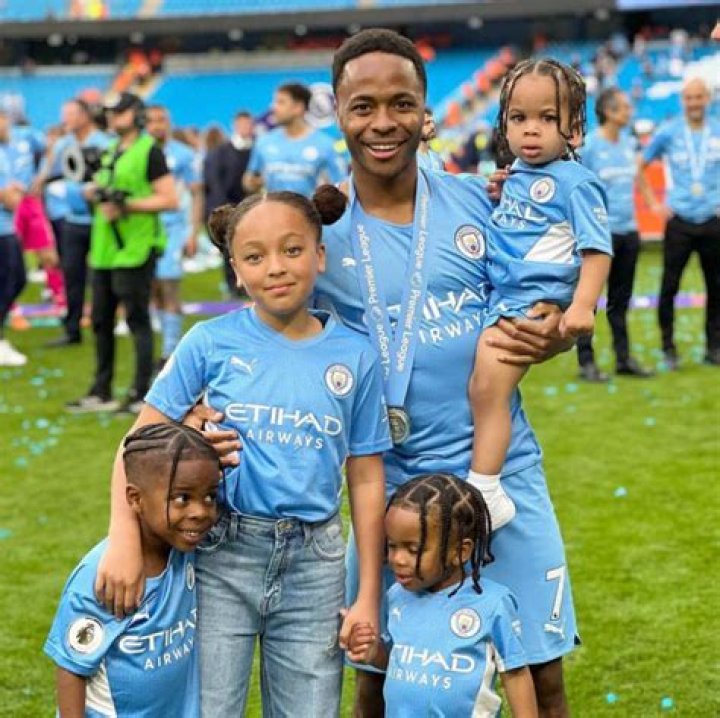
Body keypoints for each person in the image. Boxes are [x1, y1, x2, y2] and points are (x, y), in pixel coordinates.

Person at [309, 30, 577, 717]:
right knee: (378, 679)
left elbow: (554, 297)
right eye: (363, 106)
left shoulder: (484, 203)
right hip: (393, 487)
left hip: (500, 478)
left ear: (426, 112)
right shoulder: (316, 236)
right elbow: (278, 337)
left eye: (401, 104)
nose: (383, 122)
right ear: (338, 112)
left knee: (541, 674)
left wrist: (555, 329)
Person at [97, 189, 390, 716]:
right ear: (235, 270)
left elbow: (367, 477)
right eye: (255, 257)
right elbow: (135, 444)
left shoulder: (356, 355)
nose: (275, 267)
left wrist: (367, 593)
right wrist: (123, 540)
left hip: (316, 567)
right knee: (209, 708)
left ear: (320, 255)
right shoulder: (209, 343)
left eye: (292, 250)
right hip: (220, 556)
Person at [468, 58, 612, 529]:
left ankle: (486, 489)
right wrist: (498, 193)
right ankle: (486, 482)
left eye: (547, 118)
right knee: (483, 389)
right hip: (501, 299)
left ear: (574, 130)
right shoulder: (513, 176)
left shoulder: (577, 183)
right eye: (519, 118)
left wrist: (582, 307)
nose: (531, 130)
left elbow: (596, 250)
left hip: (531, 305)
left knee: (487, 389)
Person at [44, 422, 220, 717]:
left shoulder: (183, 550)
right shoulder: (101, 578)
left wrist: (194, 420)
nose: (200, 512)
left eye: (210, 496)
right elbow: (71, 669)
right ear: (135, 499)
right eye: (182, 498)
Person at [348, 473, 538, 718]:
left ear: (460, 552)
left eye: (413, 549)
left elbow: (516, 674)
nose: (398, 559)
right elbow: (399, 663)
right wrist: (374, 653)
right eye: (392, 546)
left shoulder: (492, 604)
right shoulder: (396, 596)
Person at [66, 92, 178, 414]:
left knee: (137, 320)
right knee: (100, 320)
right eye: (110, 112)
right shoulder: (111, 149)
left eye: (120, 112)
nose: (113, 117)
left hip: (136, 248)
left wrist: (126, 205)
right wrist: (94, 192)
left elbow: (169, 199)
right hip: (105, 250)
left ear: (136, 114)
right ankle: (101, 390)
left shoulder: (150, 151)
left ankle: (141, 392)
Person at [639, 76, 720, 369]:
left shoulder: (717, 129)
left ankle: (714, 347)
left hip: (712, 220)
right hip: (680, 221)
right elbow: (640, 166)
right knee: (669, 287)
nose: (694, 103)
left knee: (716, 288)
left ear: (707, 99)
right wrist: (654, 204)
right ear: (682, 101)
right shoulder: (669, 132)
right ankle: (668, 347)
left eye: (698, 97)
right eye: (689, 98)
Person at [576, 87, 656, 380]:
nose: (629, 111)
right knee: (588, 300)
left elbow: (639, 176)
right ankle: (587, 362)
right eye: (624, 107)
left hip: (628, 232)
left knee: (621, 301)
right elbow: (578, 189)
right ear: (609, 112)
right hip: (599, 237)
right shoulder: (590, 147)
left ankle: (623, 359)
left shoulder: (629, 143)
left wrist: (652, 203)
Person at [43, 98, 111, 348]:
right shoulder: (63, 144)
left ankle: (103, 325)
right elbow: (47, 174)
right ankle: (72, 330)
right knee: (72, 276)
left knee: (103, 277)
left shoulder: (104, 143)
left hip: (100, 221)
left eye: (70, 114)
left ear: (85, 115)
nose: (66, 119)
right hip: (72, 220)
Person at [146, 104, 203, 369]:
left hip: (174, 228)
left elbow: (196, 193)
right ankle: (165, 343)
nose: (157, 125)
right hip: (146, 228)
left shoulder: (184, 154)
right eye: (152, 120)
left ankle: (170, 351)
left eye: (162, 120)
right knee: (154, 288)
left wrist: (193, 232)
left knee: (170, 285)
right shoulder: (140, 153)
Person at [242, 82, 345, 197]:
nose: (273, 107)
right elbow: (249, 180)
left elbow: (341, 186)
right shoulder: (264, 142)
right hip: (272, 207)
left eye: (281, 102)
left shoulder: (325, 145)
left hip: (309, 208)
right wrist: (252, 183)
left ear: (298, 108)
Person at [203, 110, 254, 296]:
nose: (245, 128)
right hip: (227, 207)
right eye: (242, 124)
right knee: (228, 249)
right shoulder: (220, 152)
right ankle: (233, 285)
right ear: (235, 126)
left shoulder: (257, 150)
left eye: (248, 124)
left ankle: (248, 283)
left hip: (250, 208)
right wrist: (222, 210)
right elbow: (213, 182)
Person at [0, 109, 30, 366]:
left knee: (17, 279)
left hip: (7, 226)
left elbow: (18, 190)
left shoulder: (10, 150)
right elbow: (10, 197)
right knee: (10, 281)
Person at [417, 107, 444, 171]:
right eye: (427, 123)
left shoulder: (437, 158)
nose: (432, 126)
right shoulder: (410, 161)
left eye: (432, 122)